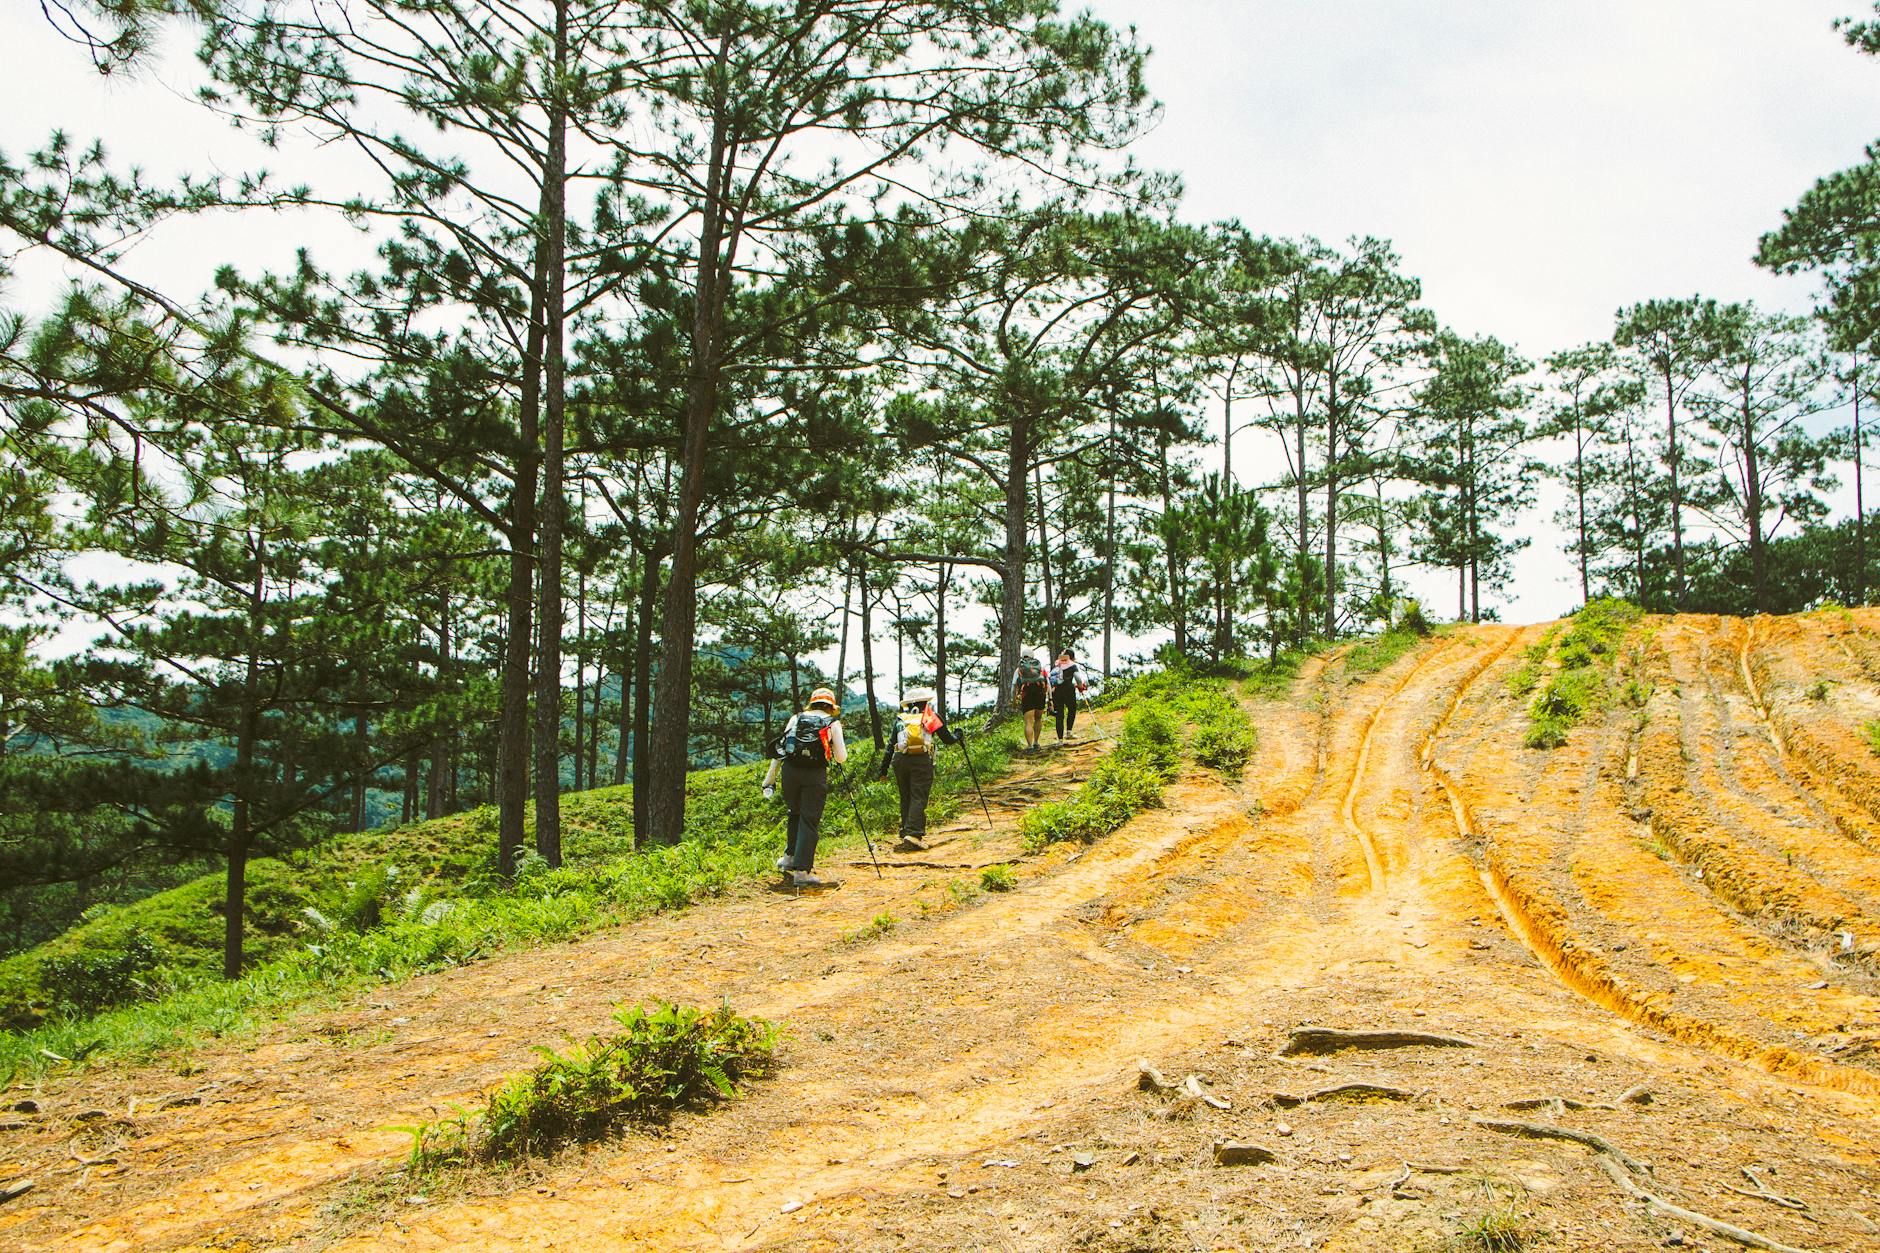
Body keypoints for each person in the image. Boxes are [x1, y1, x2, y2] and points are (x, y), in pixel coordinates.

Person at [761, 687, 847, 887]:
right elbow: (841, 758)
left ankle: (789, 857)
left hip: (790, 772)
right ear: (831, 706)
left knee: (795, 813)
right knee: (809, 820)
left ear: (812, 703)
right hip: (814, 775)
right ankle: (802, 872)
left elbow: (782, 748)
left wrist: (769, 780)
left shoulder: (796, 718)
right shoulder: (833, 723)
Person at [875, 686, 961, 852]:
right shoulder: (930, 716)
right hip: (921, 760)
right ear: (925, 702)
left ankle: (906, 830)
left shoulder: (901, 719)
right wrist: (958, 734)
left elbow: (889, 746)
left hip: (900, 760)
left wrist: (883, 770)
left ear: (908, 703)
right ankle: (914, 834)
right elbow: (948, 739)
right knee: (918, 795)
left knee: (905, 795)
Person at [1013, 653, 1049, 753]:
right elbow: (1048, 683)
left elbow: (1014, 686)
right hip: (1040, 694)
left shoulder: (1019, 669)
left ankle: (1029, 746)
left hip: (1027, 695)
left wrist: (1014, 700)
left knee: (1028, 722)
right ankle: (1036, 742)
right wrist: (1050, 699)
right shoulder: (1040, 668)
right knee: (1038, 719)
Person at [1049, 649, 1088, 741]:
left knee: (1059, 714)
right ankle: (1069, 732)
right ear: (1072, 657)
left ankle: (1060, 739)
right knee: (1072, 709)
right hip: (1068, 690)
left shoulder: (1057, 663)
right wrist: (1080, 687)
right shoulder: (1072, 665)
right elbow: (1078, 678)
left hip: (1056, 691)